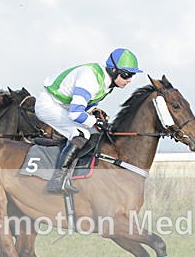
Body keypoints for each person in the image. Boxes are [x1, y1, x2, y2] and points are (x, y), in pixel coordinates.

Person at [35, 48, 142, 193]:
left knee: (94, 133)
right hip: (49, 105)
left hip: (64, 106)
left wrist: (97, 120)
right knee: (80, 133)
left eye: (132, 75)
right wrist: (95, 122)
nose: (129, 80)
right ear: (113, 70)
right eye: (126, 75)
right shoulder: (90, 78)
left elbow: (86, 108)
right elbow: (76, 113)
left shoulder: (108, 85)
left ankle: (72, 174)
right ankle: (57, 180)